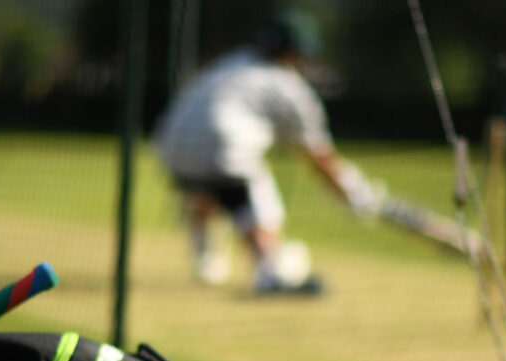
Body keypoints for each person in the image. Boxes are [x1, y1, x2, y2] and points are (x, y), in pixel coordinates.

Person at [155, 11, 378, 293]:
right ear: (297, 52)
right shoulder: (290, 88)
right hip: (225, 153)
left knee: (204, 188)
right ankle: (270, 271)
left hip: (170, 146)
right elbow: (318, 156)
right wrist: (353, 192)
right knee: (259, 202)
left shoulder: (230, 62)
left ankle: (205, 256)